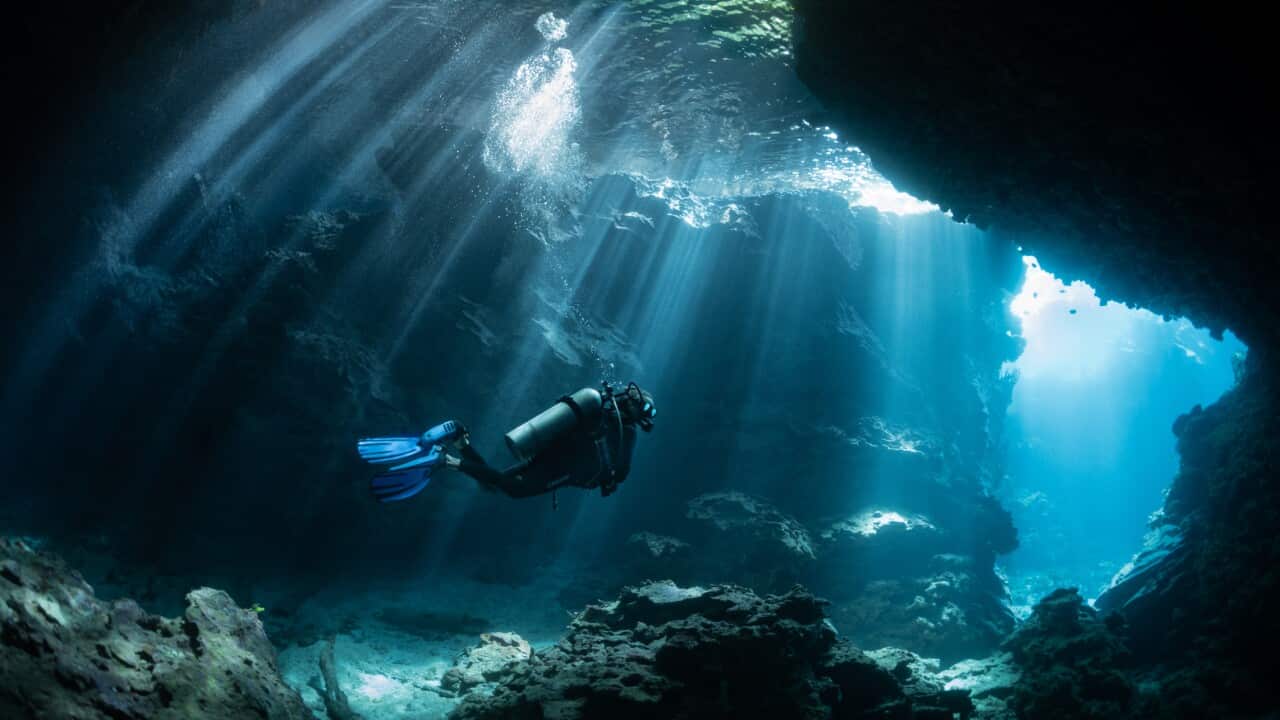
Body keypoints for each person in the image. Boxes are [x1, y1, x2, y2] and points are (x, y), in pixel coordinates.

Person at [357, 382, 655, 502]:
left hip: (554, 450)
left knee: (495, 482)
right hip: (572, 467)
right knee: (513, 490)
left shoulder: (601, 406)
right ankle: (445, 459)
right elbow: (622, 472)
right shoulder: (626, 431)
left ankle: (460, 441)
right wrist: (610, 480)